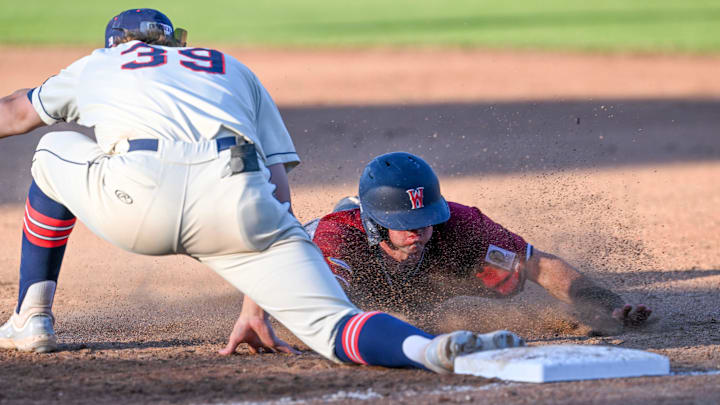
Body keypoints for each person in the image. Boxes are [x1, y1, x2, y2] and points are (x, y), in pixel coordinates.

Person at [0, 9, 525, 374]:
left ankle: (33, 318)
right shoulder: (230, 67)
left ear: (119, 45)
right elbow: (278, 188)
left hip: (135, 203)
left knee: (51, 151)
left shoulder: (101, 63)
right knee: (333, 325)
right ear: (175, 44)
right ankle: (428, 350)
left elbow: (18, 113)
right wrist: (256, 306)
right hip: (236, 202)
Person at [305, 152, 653, 335]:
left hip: (412, 290)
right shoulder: (338, 236)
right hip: (346, 288)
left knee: (500, 279)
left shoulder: (458, 223)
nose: (419, 231)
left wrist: (604, 302)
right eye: (405, 224)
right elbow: (320, 303)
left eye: (426, 219)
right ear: (374, 223)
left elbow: (538, 266)